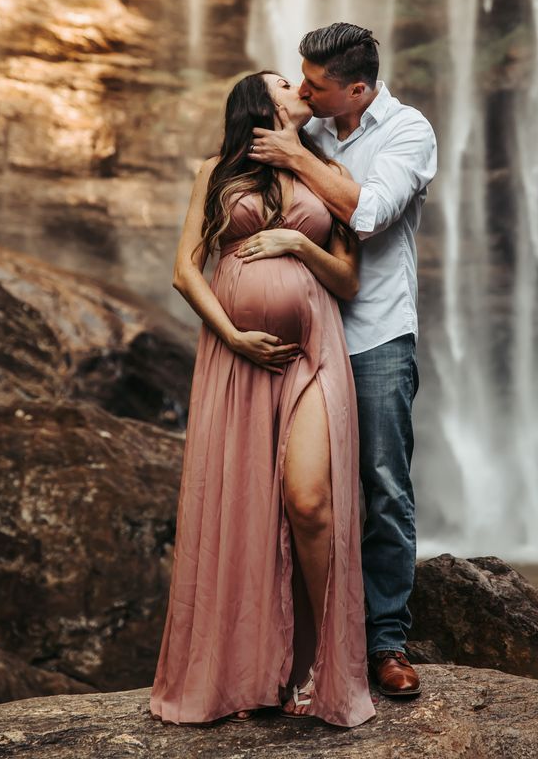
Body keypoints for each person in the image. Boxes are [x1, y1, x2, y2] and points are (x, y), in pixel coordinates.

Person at [149, 71, 375, 728]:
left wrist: (299, 242)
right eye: (284, 80)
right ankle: (257, 671)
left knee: (309, 502)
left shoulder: (326, 174)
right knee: (242, 508)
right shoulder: (216, 170)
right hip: (237, 356)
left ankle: (321, 665)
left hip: (314, 351)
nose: (299, 84)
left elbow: (350, 281)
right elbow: (185, 268)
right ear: (259, 102)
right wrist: (233, 335)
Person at [249, 23, 437, 699]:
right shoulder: (309, 125)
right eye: (299, 79)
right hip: (301, 342)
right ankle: (303, 644)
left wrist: (297, 160)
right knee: (300, 496)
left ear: (357, 89)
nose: (302, 91)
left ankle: (384, 642)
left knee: (384, 487)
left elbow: (369, 214)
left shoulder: (408, 132)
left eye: (315, 85)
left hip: (375, 337)